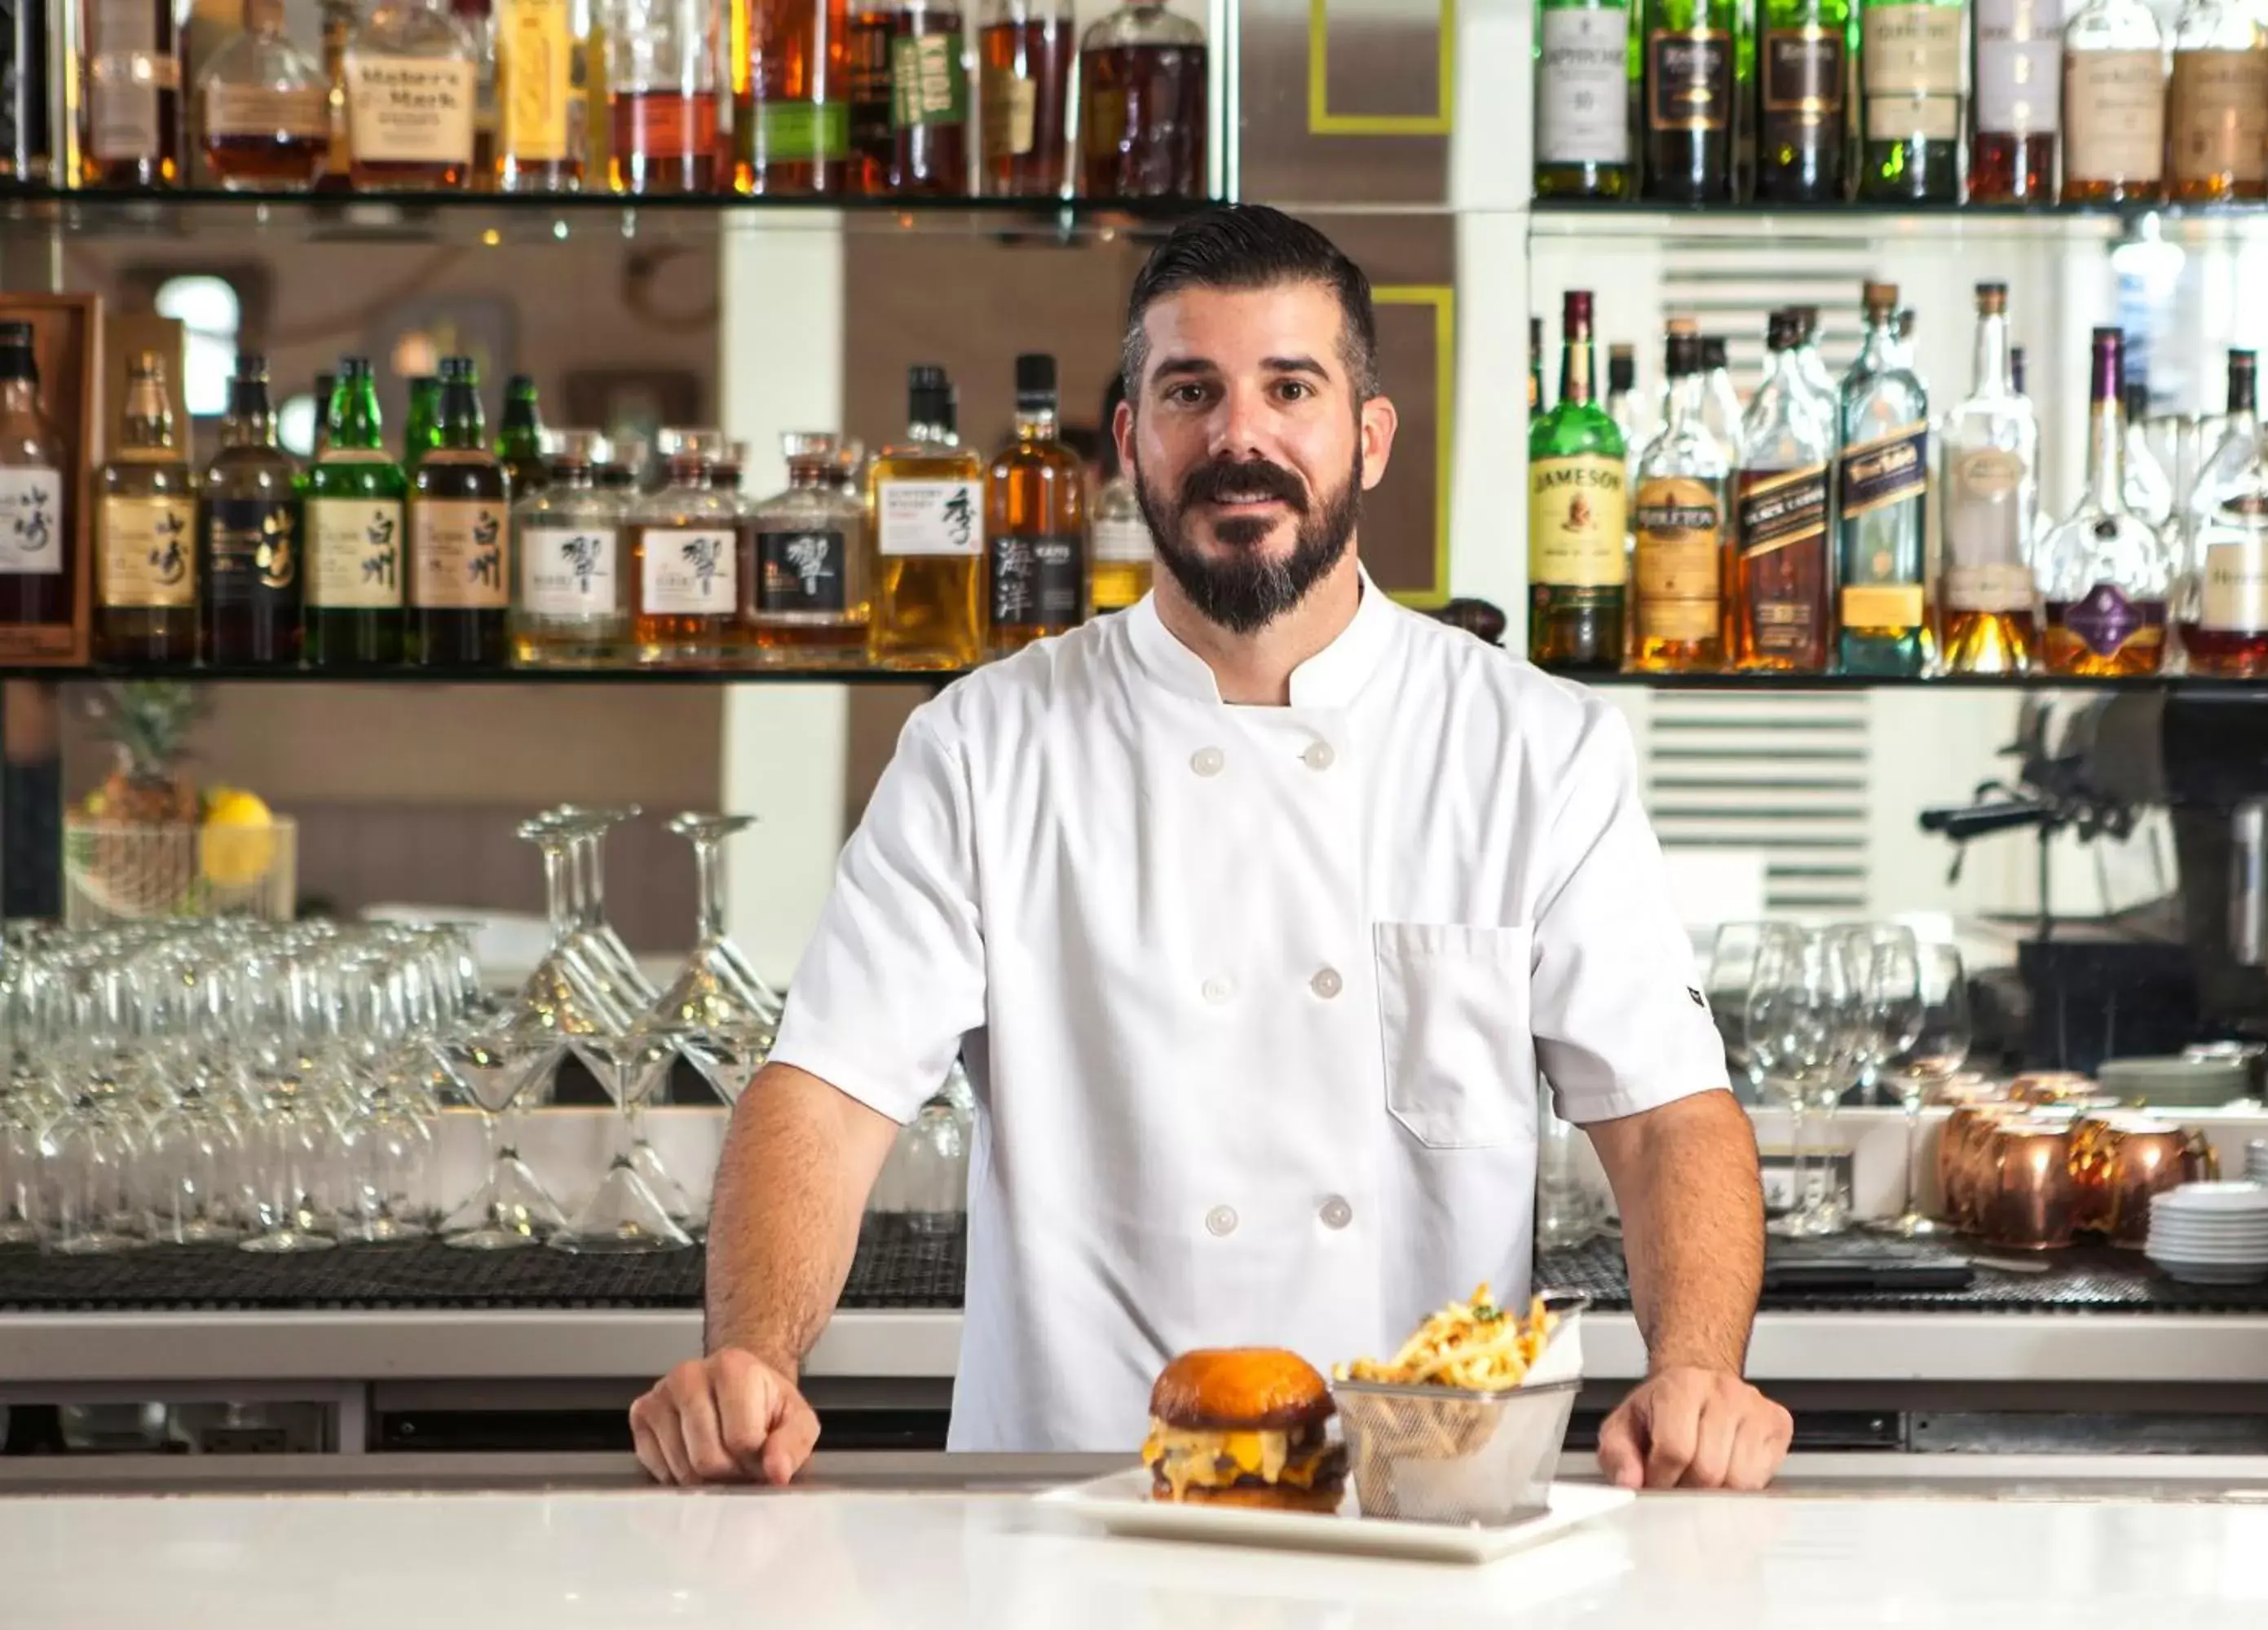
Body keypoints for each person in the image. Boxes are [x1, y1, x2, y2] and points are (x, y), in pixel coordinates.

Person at [630, 206, 1792, 1492]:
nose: (1241, 437)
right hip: (1067, 1518)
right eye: (1192, 391)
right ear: (1130, 444)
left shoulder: (1535, 748)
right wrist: (752, 1359)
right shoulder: (985, 745)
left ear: (1370, 436)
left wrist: (1700, 1368)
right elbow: (825, 1097)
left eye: (1290, 387)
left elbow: (1667, 1115)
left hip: (1419, 1507)